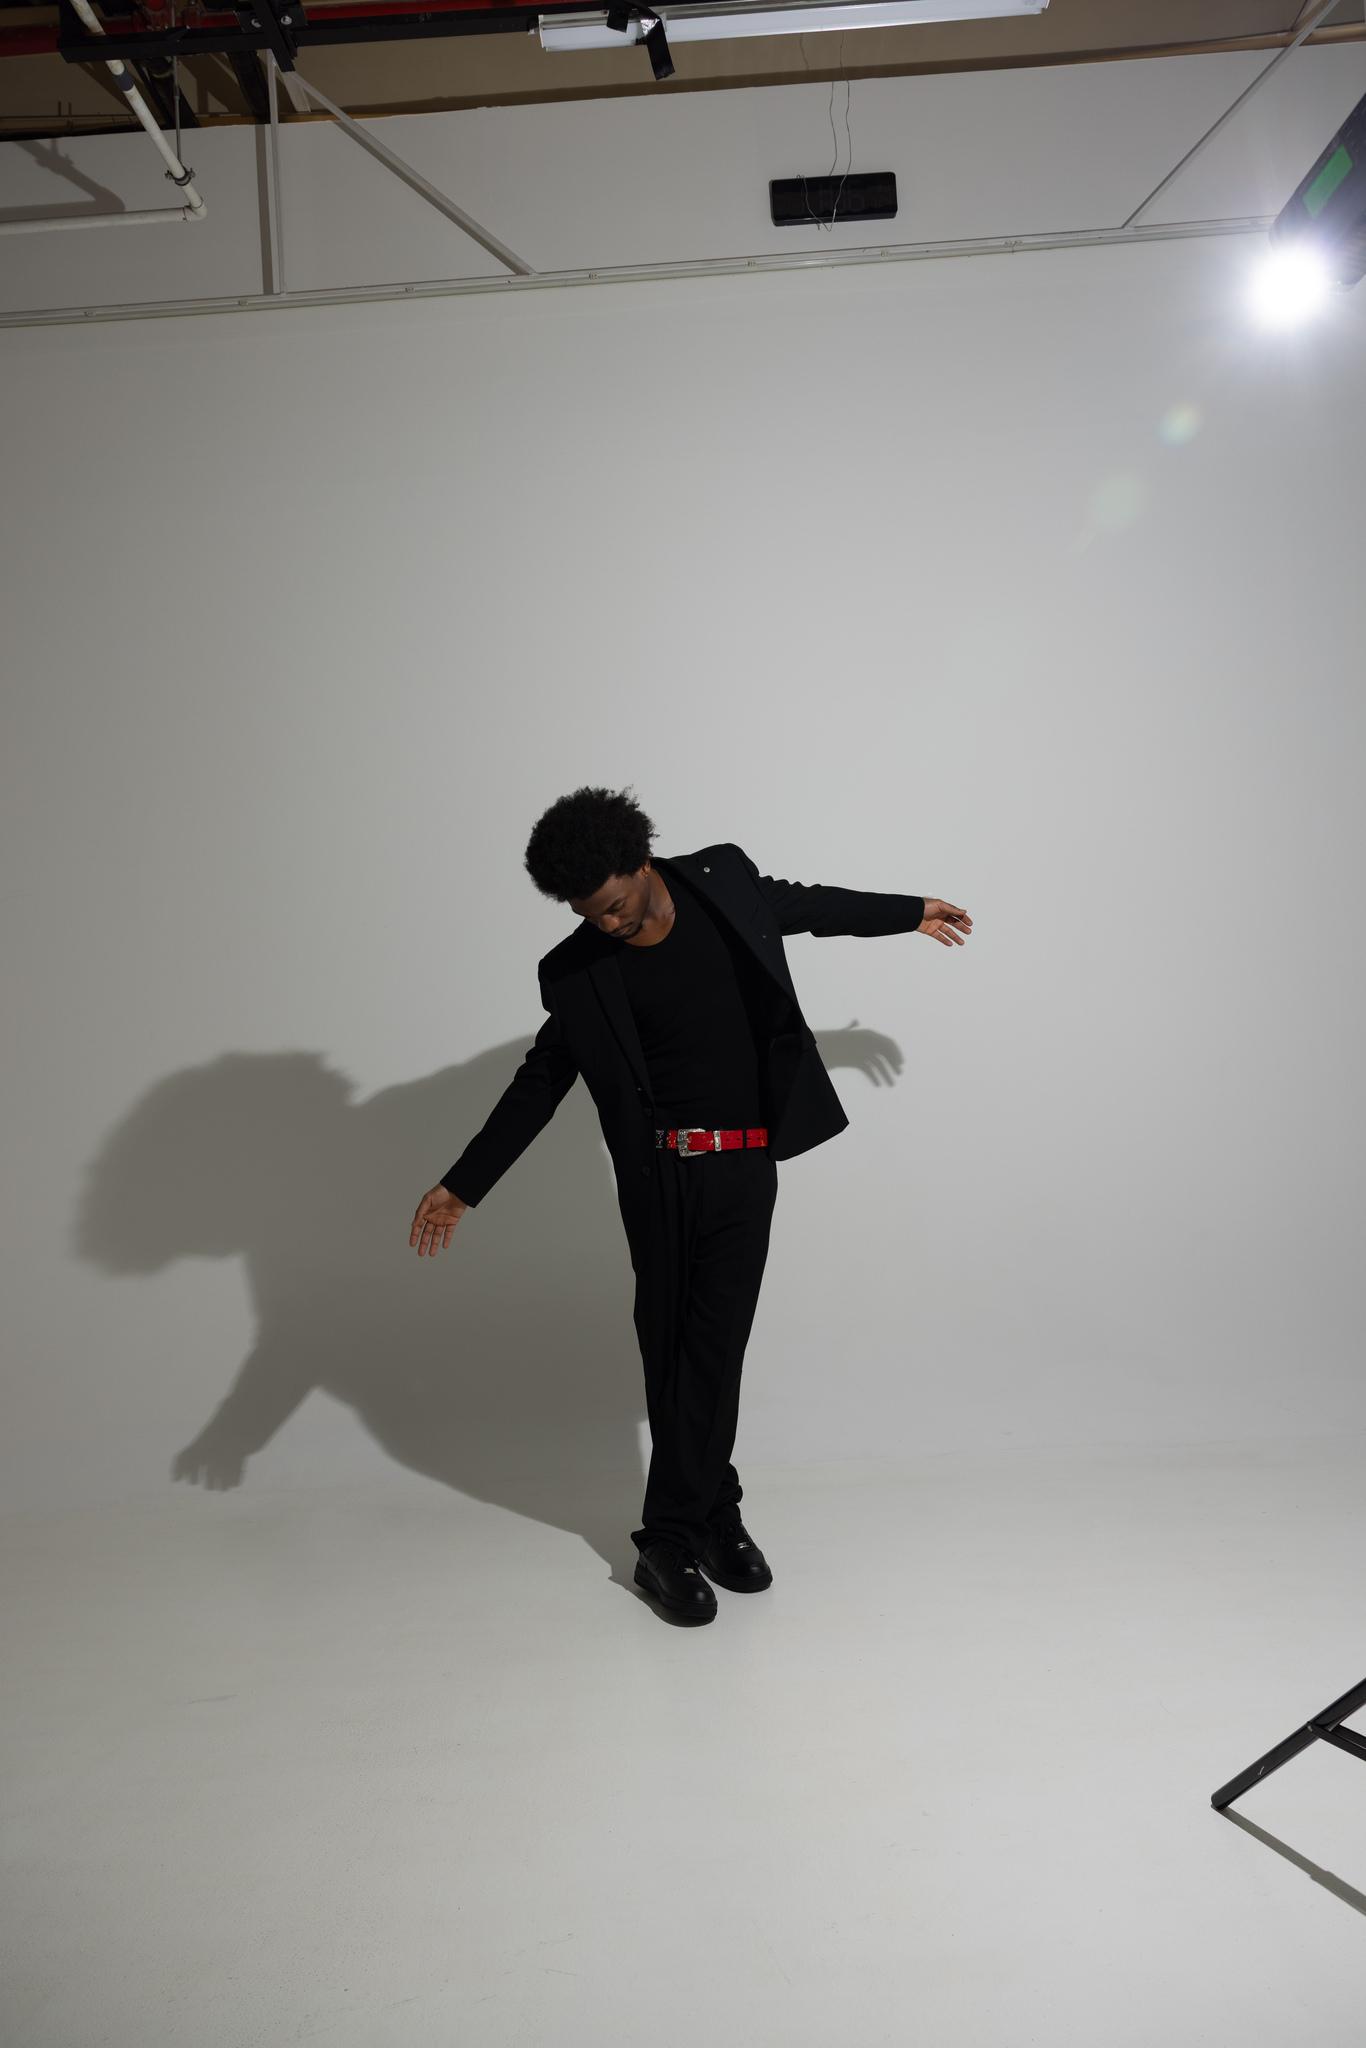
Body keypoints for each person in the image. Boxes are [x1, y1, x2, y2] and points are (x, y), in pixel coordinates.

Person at [409, 785, 971, 1625]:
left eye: (614, 905)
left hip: (746, 1167)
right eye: (588, 914)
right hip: (662, 1177)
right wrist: (464, 1184)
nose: (606, 924)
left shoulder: (722, 883)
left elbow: (810, 908)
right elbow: (543, 1079)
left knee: (714, 1347)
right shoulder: (576, 970)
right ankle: (689, 1526)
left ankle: (689, 1524)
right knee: (677, 1350)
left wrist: (908, 911)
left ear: (641, 862)